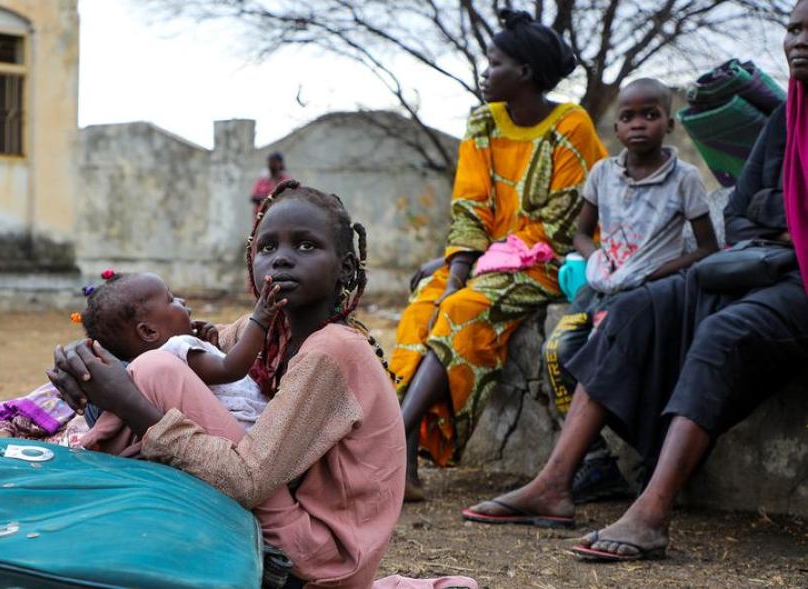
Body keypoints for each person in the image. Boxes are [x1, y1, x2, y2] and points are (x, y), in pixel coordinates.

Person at [463, 1, 808, 561]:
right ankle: (554, 484)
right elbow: (743, 211)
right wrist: (781, 234)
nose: (798, 40)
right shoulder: (786, 120)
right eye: (792, 28)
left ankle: (651, 511)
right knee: (635, 308)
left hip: (795, 284)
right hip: (760, 264)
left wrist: (786, 239)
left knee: (723, 334)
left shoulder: (684, 175)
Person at [50, 180, 406, 588]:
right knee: (137, 369)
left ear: (345, 267)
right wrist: (91, 355)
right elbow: (162, 341)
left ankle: (100, 487)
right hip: (283, 520)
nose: (282, 260)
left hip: (317, 559)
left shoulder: (332, 351)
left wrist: (134, 408)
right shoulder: (274, 332)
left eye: (306, 246)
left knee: (154, 373)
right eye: (267, 248)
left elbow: (247, 480)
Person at [390, 8, 607, 501]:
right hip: (487, 258)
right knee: (427, 304)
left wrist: (466, 276)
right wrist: (454, 268)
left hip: (546, 262)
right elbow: (470, 206)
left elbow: (559, 226)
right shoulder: (483, 123)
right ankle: (398, 447)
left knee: (463, 307)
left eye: (494, 64)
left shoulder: (570, 126)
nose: (486, 74)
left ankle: (400, 435)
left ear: (525, 72)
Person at [541, 79, 719, 502]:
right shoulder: (603, 173)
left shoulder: (685, 179)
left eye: (650, 115)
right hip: (602, 285)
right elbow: (580, 234)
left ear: (669, 124)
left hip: (647, 296)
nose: (638, 124)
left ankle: (652, 459)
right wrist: (600, 259)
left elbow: (708, 247)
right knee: (558, 352)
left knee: (612, 363)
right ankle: (595, 462)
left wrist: (655, 273)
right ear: (616, 128)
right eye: (627, 117)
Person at [79, 270, 283, 445]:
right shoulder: (176, 350)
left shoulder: (167, 361)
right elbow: (231, 369)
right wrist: (260, 319)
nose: (182, 301)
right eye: (170, 299)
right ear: (149, 331)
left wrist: (211, 346)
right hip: (247, 430)